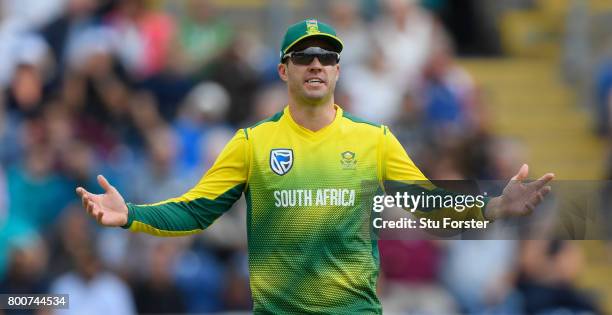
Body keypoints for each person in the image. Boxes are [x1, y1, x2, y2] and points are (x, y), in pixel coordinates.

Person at [76, 19, 555, 314]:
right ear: (284, 70)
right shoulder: (252, 142)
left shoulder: (375, 139)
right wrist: (132, 214)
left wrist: (495, 208)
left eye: (327, 56)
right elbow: (195, 211)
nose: (316, 64)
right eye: (303, 56)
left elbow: (431, 207)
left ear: (338, 70)